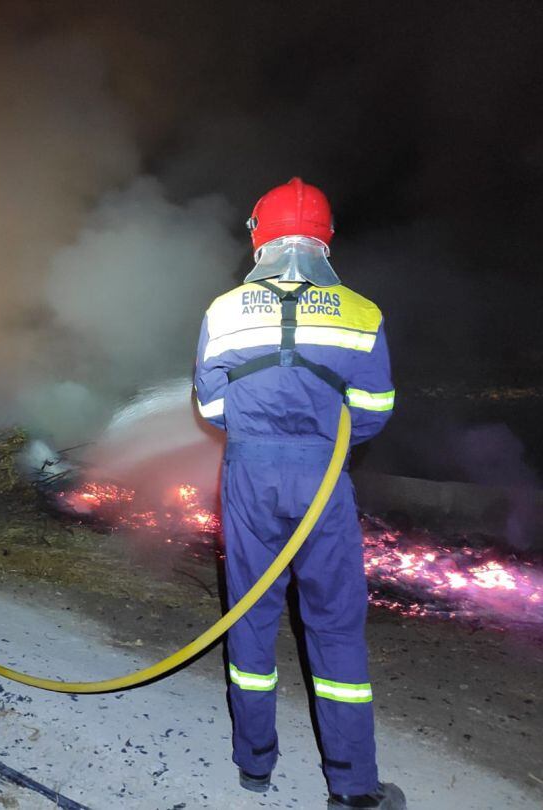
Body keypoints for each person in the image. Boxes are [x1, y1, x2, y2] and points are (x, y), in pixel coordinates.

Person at [193, 178, 405, 809]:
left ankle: (253, 766)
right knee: (336, 627)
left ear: (259, 236)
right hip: (324, 479)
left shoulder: (223, 310)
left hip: (250, 479)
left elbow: (210, 406)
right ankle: (354, 787)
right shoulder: (363, 313)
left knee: (251, 618)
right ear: (324, 242)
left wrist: (260, 430)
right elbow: (374, 410)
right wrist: (326, 437)